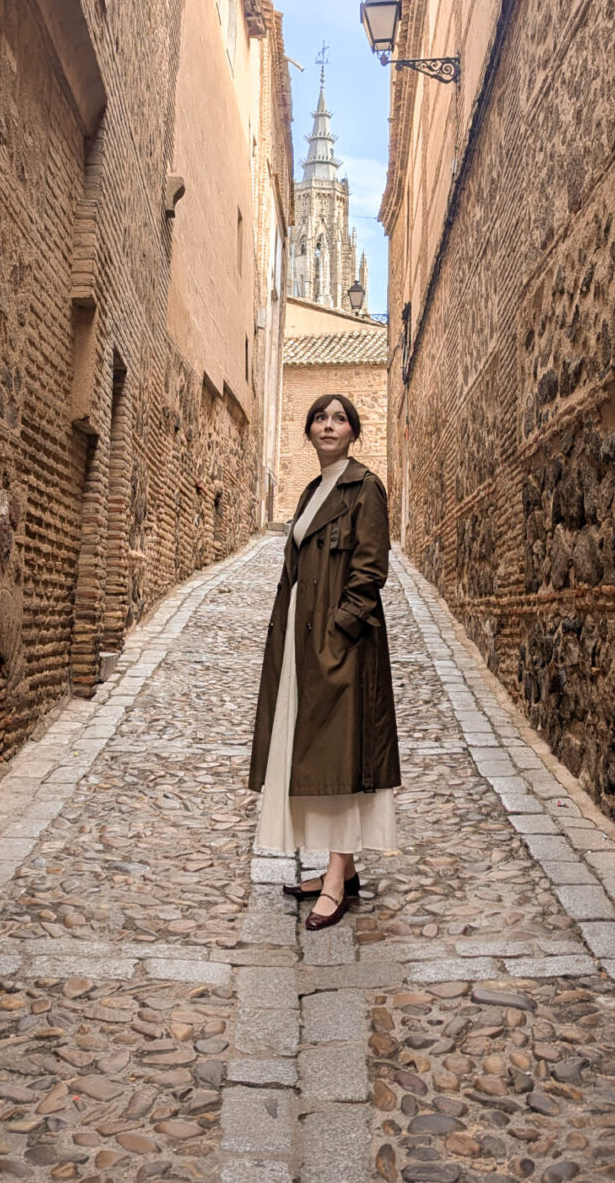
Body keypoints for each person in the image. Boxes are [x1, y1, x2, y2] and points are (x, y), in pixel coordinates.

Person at [249, 393, 400, 930]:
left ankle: (335, 882)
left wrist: (339, 632)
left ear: (354, 432)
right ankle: (343, 869)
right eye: (320, 417)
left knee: (340, 760)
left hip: (342, 651)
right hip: (300, 643)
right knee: (312, 755)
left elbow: (370, 571)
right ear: (309, 431)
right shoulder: (313, 491)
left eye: (339, 418)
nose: (329, 425)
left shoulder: (365, 488)